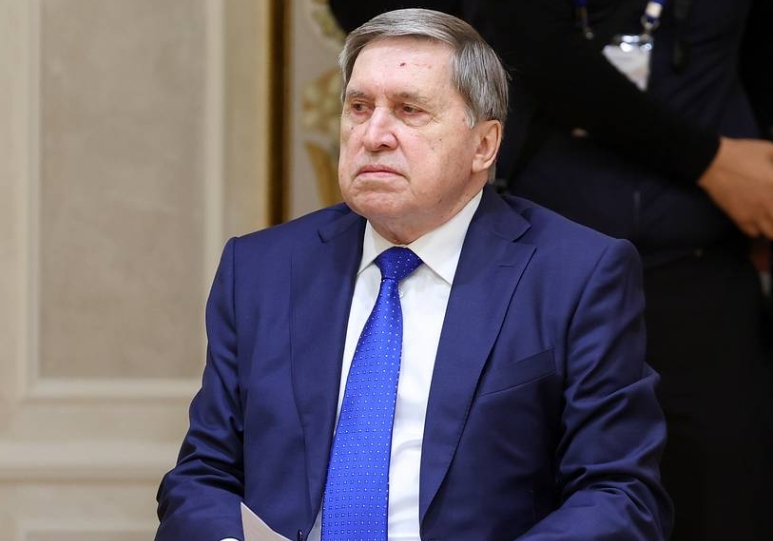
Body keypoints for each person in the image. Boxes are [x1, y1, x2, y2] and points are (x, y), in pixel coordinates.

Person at [155, 9, 672, 541]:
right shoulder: (260, 270)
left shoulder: (575, 275)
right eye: (359, 107)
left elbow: (619, 494)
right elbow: (202, 476)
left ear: (484, 145)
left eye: (409, 110)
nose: (373, 135)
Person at [329, 1, 773, 540]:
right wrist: (709, 160)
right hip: (539, 266)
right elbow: (532, 41)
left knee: (721, 495)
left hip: (705, 270)